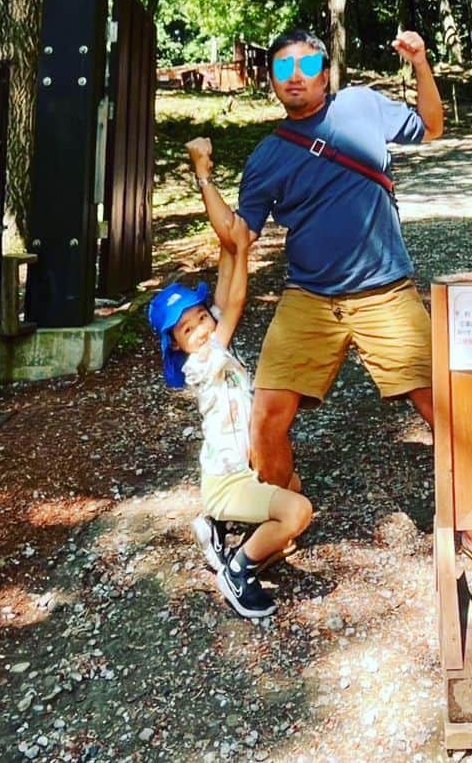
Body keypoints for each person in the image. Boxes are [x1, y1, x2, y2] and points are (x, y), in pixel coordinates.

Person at [189, 27, 472, 589]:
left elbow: (433, 126)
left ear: (326, 70)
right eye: (282, 68)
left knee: (443, 411)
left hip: (385, 291)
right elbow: (237, 238)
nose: (295, 75)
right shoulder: (268, 156)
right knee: (266, 419)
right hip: (309, 298)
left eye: (307, 64)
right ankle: (281, 514)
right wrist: (203, 173)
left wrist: (420, 63)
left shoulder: (363, 107)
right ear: (270, 80)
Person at [148, 153, 312, 621]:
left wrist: (209, 184)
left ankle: (216, 527)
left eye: (200, 317)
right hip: (230, 478)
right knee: (297, 512)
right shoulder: (202, 363)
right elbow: (235, 299)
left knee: (291, 487)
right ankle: (237, 571)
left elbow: (224, 272)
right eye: (186, 329)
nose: (200, 328)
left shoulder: (208, 343)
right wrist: (244, 249)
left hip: (246, 467)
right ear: (176, 347)